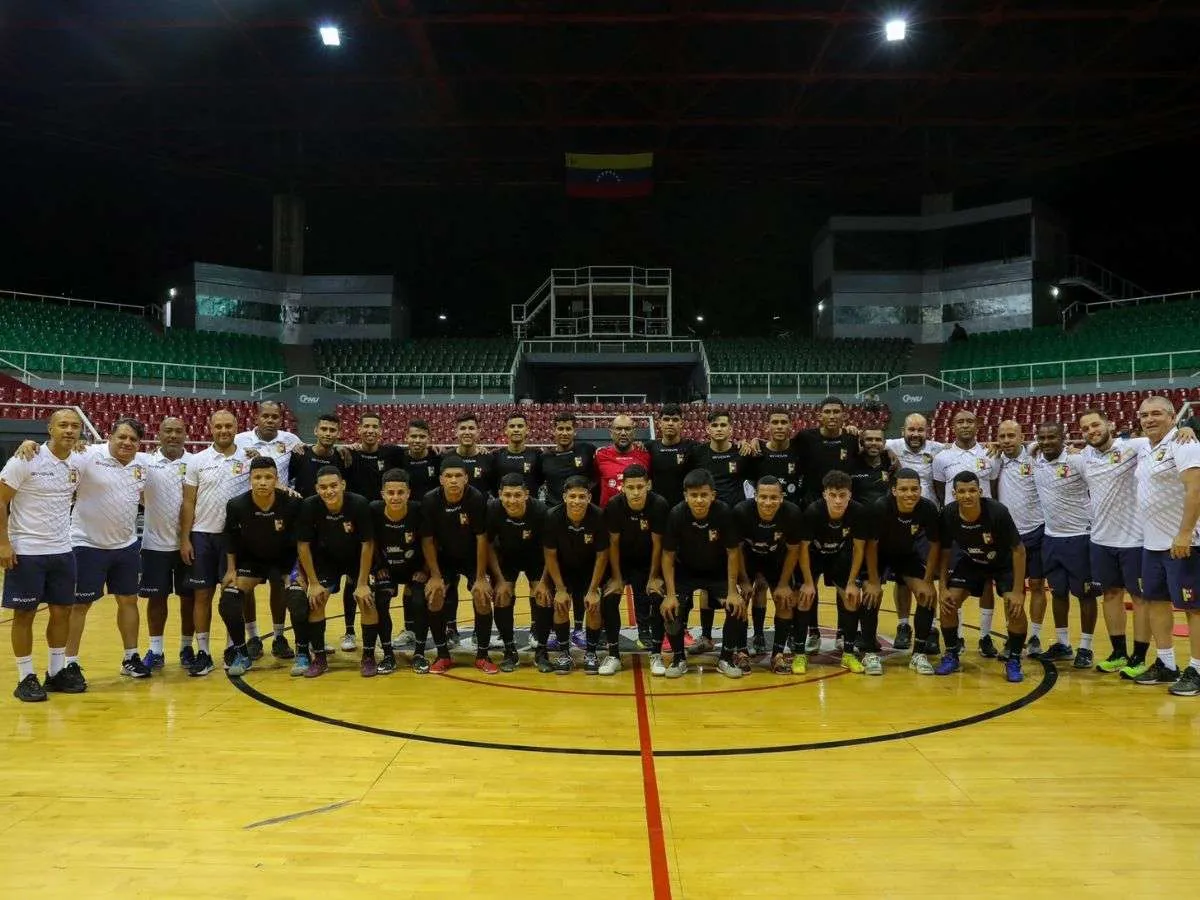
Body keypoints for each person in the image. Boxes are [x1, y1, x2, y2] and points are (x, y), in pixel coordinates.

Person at [1078, 406, 1174, 677]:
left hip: (1134, 541)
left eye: (1095, 425)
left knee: (1140, 599)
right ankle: (1118, 652)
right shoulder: (1084, 457)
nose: (1091, 431)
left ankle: (1139, 657)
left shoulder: (1135, 446)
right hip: (1100, 539)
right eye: (1085, 429)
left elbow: (1168, 437)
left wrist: (1187, 430)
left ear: (1108, 424)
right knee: (1110, 595)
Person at [0, 408, 82, 701]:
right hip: (27, 551)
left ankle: (56, 672)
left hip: (62, 550)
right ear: (49, 429)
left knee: (62, 612)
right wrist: (3, 544)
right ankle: (25, 677)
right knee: (24, 614)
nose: (69, 430)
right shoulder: (26, 458)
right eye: (63, 425)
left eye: (74, 426)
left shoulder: (79, 461)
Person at [68, 418, 153, 681]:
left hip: (126, 546)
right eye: (122, 437)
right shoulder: (87, 455)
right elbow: (55, 455)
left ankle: (130, 657)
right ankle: (69, 662)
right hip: (86, 544)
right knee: (80, 605)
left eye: (133, 440)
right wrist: (30, 446)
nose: (127, 443)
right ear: (109, 435)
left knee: (128, 601)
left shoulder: (144, 463)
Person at [1133, 396, 1200, 695]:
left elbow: (1196, 488)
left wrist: (1185, 533)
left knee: (1194, 608)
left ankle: (1197, 669)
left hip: (1184, 542)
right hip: (1152, 544)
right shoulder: (1146, 448)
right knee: (1155, 602)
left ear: (1173, 417)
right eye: (1144, 415)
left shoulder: (1184, 444)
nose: (1149, 419)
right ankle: (1166, 663)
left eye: (1156, 413)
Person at [180, 409, 253, 677]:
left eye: (228, 426)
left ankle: (234, 647)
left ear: (237, 426)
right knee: (202, 595)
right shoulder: (198, 460)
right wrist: (185, 538)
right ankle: (203, 652)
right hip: (202, 535)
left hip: (234, 538)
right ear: (210, 427)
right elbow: (188, 501)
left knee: (233, 595)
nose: (224, 430)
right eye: (218, 426)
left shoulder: (248, 457)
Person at [936, 471, 1027, 682]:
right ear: (954, 493)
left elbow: (1019, 550)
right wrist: (942, 586)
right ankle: (951, 653)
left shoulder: (997, 511)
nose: (967, 496)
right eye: (962, 491)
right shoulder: (948, 514)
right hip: (972, 561)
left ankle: (1014, 659)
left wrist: (1018, 591)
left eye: (971, 491)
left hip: (1003, 563)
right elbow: (945, 551)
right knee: (948, 602)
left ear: (980, 491)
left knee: (1013, 607)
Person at [791, 396, 861, 655]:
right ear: (819, 415)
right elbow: (780, 445)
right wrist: (754, 442)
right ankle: (813, 632)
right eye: (827, 412)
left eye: (836, 412)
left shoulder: (852, 439)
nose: (832, 416)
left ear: (844, 415)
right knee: (810, 583)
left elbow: (875, 451)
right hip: (813, 512)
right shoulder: (806, 438)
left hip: (841, 513)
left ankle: (843, 633)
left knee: (843, 582)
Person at [660, 469, 745, 679]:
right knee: (671, 609)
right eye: (694, 495)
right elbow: (668, 555)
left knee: (736, 605)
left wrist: (733, 590)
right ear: (685, 496)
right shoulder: (677, 514)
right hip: (685, 572)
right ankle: (679, 658)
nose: (699, 500)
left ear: (713, 495)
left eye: (704, 495)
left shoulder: (723, 512)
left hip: (717, 573)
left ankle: (725, 658)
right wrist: (670, 594)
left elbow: (733, 552)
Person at [221, 457, 301, 676]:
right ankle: (244, 648)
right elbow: (231, 539)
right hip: (251, 561)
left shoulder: (291, 502)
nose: (263, 482)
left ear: (277, 479)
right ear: (250, 479)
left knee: (292, 592)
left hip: (282, 559)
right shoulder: (236, 504)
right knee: (229, 597)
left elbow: (301, 542)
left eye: (268, 477)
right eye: (257, 477)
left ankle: (280, 638)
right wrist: (230, 570)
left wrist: (299, 571)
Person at [295, 466, 376, 678]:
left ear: (343, 485)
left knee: (367, 600)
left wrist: (362, 582)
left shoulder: (358, 504)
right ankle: (319, 658)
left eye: (333, 486)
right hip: (325, 559)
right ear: (316, 488)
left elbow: (368, 543)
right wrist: (313, 582)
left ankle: (368, 656)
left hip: (356, 557)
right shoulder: (309, 506)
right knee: (316, 601)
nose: (329, 491)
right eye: (323, 487)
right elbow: (303, 545)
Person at [1031, 422, 1099, 668]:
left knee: (1086, 594)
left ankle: (1086, 647)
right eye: (1042, 437)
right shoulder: (1036, 461)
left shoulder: (1077, 461)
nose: (1047, 441)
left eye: (1052, 437)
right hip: (1050, 538)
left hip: (1080, 537)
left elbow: (1098, 487)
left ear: (1063, 438)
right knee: (1058, 592)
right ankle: (1063, 644)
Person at [138, 417, 202, 671]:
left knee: (189, 598)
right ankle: (155, 650)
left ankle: (187, 647)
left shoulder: (196, 463)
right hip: (155, 544)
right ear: (159, 434)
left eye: (178, 431)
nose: (173, 435)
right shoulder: (145, 461)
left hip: (190, 543)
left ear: (186, 434)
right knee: (157, 600)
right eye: (168, 431)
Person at [864, 468, 942, 675]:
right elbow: (871, 545)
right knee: (872, 594)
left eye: (914, 489)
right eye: (904, 489)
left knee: (927, 594)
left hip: (907, 555)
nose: (910, 494)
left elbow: (935, 545)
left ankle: (918, 653)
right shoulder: (881, 507)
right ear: (894, 491)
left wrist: (928, 580)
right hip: (880, 555)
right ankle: (869, 652)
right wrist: (873, 580)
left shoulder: (927, 508)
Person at [291, 414, 358, 651]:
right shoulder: (299, 454)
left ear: (338, 433)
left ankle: (349, 633)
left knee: (353, 583)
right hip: (307, 532)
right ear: (316, 431)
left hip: (339, 530)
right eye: (324, 429)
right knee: (305, 591)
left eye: (333, 430)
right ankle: (308, 643)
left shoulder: (343, 457)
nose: (328, 433)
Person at [420, 455, 493, 672]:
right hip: (444, 558)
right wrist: (434, 575)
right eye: (449, 476)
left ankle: (482, 655)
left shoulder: (476, 498)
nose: (453, 480)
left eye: (458, 476)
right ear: (441, 479)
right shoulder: (430, 500)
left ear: (466, 478)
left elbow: (482, 538)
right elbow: (427, 540)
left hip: (472, 556)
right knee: (435, 595)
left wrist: (480, 577)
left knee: (481, 595)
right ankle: (443, 655)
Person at [797, 470, 873, 674]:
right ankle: (799, 653)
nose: (838, 501)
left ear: (850, 495)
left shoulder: (858, 512)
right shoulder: (813, 512)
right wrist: (807, 581)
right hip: (814, 555)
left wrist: (851, 582)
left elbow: (859, 549)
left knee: (851, 598)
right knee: (805, 597)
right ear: (824, 495)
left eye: (842, 495)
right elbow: (802, 548)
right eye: (833, 495)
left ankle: (848, 653)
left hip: (840, 555)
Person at [689, 408, 752, 651]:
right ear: (707, 429)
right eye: (714, 425)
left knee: (737, 582)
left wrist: (753, 442)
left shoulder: (741, 453)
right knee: (707, 583)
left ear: (731, 429)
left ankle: (739, 640)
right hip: (706, 524)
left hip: (733, 525)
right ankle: (705, 636)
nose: (719, 429)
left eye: (723, 425)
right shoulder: (698, 454)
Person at [543, 476, 615, 674]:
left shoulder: (598, 516)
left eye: (581, 496)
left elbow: (602, 555)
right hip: (563, 569)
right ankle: (564, 652)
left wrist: (593, 590)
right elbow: (550, 555)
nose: (576, 501)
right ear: (564, 497)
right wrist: (559, 589)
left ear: (589, 497)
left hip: (590, 569)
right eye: (572, 496)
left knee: (593, 605)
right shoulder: (552, 516)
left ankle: (590, 653)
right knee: (560, 604)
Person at [994, 420, 1049, 659]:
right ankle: (1012, 637)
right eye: (1002, 436)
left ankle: (1035, 635)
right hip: (1007, 537)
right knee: (1010, 592)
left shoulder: (1036, 457)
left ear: (1021, 436)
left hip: (1036, 531)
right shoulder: (995, 460)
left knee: (1037, 585)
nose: (1006, 440)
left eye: (1011, 436)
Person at [735, 476, 802, 673]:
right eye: (763, 497)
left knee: (784, 600)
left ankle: (778, 654)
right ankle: (741, 652)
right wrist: (744, 581)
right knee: (740, 599)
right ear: (755, 496)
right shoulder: (741, 511)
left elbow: (793, 550)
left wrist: (783, 584)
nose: (768, 502)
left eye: (773, 497)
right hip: (748, 558)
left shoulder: (792, 513)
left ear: (782, 498)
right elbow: (736, 550)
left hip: (777, 560)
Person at [485, 472, 549, 672]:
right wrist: (499, 579)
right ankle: (509, 649)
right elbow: (487, 545)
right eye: (507, 495)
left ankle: (542, 649)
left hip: (536, 556)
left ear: (527, 494)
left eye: (517, 495)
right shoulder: (492, 509)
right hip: (506, 556)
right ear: (499, 495)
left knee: (542, 595)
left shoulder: (541, 511)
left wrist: (544, 581)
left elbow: (550, 549)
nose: (512, 500)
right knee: (502, 595)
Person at [604, 464, 669, 656]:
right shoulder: (614, 505)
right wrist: (616, 577)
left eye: (640, 487)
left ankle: (647, 636)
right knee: (608, 597)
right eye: (630, 488)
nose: (635, 492)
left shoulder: (659, 504)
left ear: (648, 485)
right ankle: (612, 648)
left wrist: (654, 576)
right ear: (622, 487)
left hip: (648, 559)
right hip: (621, 561)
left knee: (651, 594)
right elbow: (613, 543)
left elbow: (658, 543)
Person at [371, 469, 428, 674]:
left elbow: (430, 543)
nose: (395, 497)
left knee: (420, 601)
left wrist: (425, 569)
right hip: (388, 569)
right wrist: (378, 567)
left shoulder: (419, 511)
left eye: (400, 492)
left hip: (415, 569)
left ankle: (419, 653)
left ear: (408, 493)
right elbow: (372, 543)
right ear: (383, 494)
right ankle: (388, 654)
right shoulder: (374, 511)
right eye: (391, 492)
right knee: (380, 601)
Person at [234, 400, 303, 488]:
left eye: (275, 417)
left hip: (278, 498)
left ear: (281, 421)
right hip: (248, 498)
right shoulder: (238, 440)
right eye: (265, 416)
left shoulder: (292, 440)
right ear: (256, 419)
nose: (270, 420)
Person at [344, 411, 405, 502]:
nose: (370, 431)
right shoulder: (350, 453)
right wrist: (340, 449)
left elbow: (414, 451)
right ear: (359, 429)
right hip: (357, 509)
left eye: (375, 427)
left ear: (380, 431)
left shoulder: (393, 452)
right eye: (366, 426)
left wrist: (430, 448)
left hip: (382, 509)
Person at [644, 403, 697, 508]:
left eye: (675, 420)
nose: (670, 423)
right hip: (657, 507)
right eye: (666, 419)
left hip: (683, 508)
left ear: (682, 423)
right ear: (660, 423)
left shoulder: (692, 447)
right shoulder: (649, 447)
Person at [594, 414, 651, 507]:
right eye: (618, 429)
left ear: (634, 432)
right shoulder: (600, 455)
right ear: (611, 432)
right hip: (608, 515)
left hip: (637, 513)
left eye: (628, 429)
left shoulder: (646, 455)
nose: (623, 433)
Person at [540, 412, 595, 506]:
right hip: (554, 511)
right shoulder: (544, 457)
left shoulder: (587, 450)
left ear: (575, 431)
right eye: (560, 429)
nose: (564, 433)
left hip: (581, 509)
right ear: (554, 431)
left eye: (568, 429)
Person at [491, 412, 542, 495]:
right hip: (502, 505)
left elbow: (540, 480)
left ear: (527, 430)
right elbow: (492, 483)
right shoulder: (495, 455)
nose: (516, 429)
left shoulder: (537, 455)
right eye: (512, 426)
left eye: (520, 426)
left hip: (530, 506)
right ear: (506, 431)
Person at [450, 412, 496, 496]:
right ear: (456, 432)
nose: (467, 432)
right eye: (462, 428)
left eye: (471, 428)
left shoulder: (488, 459)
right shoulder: (446, 457)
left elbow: (493, 489)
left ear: (478, 432)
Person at [398, 419, 441, 501]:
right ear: (406, 437)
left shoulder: (437, 458)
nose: (417, 441)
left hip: (431, 509)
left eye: (422, 437)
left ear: (429, 439)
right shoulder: (398, 458)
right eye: (413, 436)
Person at [849, 426, 892, 505]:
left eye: (878, 440)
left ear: (884, 443)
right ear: (862, 443)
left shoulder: (890, 464)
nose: (874, 443)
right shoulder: (850, 464)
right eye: (869, 439)